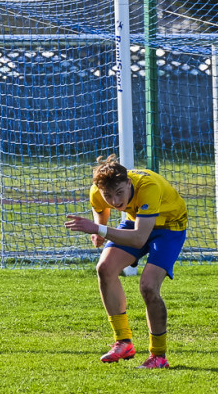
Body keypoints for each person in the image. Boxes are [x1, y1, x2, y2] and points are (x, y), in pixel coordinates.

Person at [64, 155, 187, 369]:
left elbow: (139, 238)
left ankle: (158, 356)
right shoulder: (98, 190)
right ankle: (123, 342)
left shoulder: (148, 187)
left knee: (148, 287)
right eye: (108, 195)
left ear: (129, 182)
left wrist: (98, 229)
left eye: (119, 193)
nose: (115, 201)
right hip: (137, 222)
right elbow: (101, 209)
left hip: (169, 227)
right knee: (105, 268)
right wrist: (99, 229)